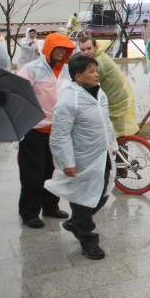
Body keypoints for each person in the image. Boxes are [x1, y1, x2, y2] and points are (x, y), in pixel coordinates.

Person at [44, 55, 116, 260]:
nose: (96, 74)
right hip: (82, 158)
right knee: (83, 197)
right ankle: (87, 238)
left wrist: (112, 145)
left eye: (96, 70)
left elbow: (106, 122)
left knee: (102, 193)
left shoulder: (99, 93)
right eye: (91, 71)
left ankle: (77, 222)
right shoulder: (69, 100)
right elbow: (59, 135)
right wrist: (66, 162)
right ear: (78, 76)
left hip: (102, 154)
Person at [16, 32, 75, 228]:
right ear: (49, 48)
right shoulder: (31, 70)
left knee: (52, 172)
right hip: (34, 131)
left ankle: (50, 206)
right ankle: (29, 212)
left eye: (65, 49)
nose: (61, 52)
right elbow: (20, 96)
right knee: (32, 174)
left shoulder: (67, 71)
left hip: (58, 132)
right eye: (58, 48)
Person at [77, 37, 138, 137]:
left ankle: (118, 149)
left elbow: (88, 85)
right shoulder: (99, 56)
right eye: (83, 50)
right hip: (120, 95)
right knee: (116, 132)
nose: (86, 52)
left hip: (118, 100)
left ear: (95, 48)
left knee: (118, 133)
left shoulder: (98, 63)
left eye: (89, 49)